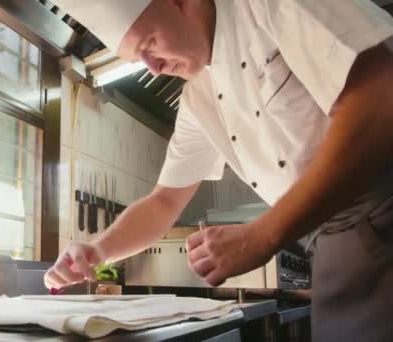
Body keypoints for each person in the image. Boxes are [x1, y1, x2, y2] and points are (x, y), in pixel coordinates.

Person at [46, 0, 393, 340]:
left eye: (149, 42)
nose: (151, 67)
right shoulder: (200, 97)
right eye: (140, 58)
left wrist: (262, 235)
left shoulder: (265, 7)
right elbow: (164, 201)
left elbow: (379, 96)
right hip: (333, 241)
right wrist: (99, 249)